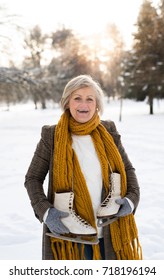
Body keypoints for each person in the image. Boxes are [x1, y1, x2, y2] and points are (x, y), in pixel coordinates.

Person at [24, 74, 142, 260]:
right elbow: (33, 179)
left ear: (97, 105)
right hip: (68, 233)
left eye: (89, 99)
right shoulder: (52, 136)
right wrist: (47, 212)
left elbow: (127, 169)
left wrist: (131, 200)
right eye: (77, 98)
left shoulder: (109, 132)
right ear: (67, 102)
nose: (83, 104)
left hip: (110, 230)